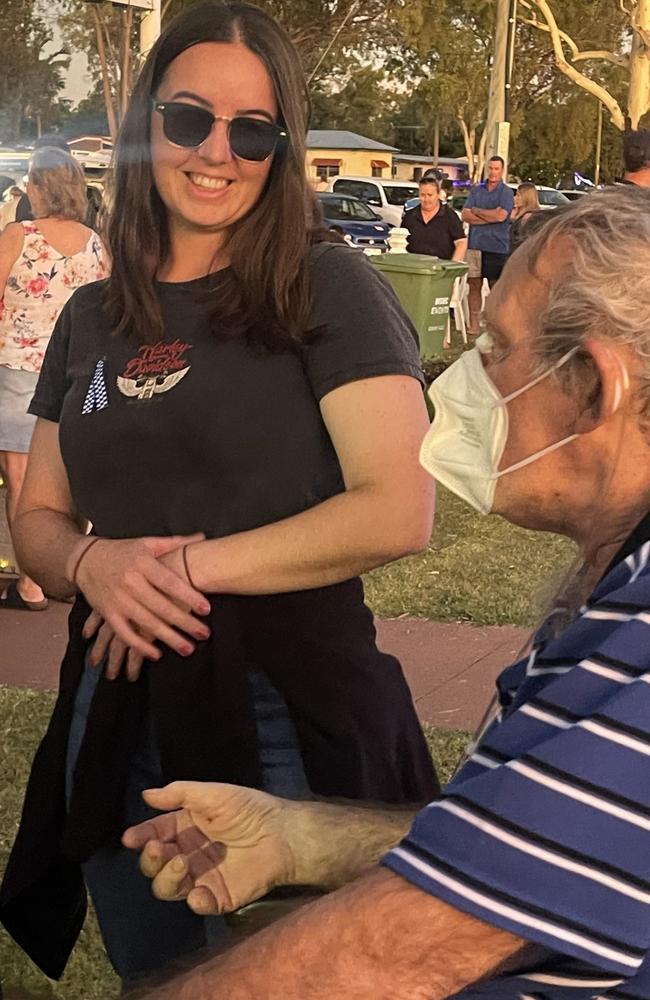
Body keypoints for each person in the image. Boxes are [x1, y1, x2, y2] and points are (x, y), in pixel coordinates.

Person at [0, 0, 438, 987]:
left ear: (280, 148)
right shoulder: (90, 315)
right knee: (159, 978)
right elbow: (36, 517)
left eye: (252, 130)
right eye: (190, 118)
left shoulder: (328, 287)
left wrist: (180, 569)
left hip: (284, 707)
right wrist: (88, 562)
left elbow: (396, 505)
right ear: (146, 122)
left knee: (288, 975)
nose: (217, 151)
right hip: (114, 712)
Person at [123, 186, 650, 1000]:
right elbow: (535, 857)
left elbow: (402, 950)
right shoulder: (615, 591)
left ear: (590, 382)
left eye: (495, 348)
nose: (463, 382)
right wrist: (303, 839)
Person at [0, 147, 108, 612]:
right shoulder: (96, 243)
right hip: (76, 372)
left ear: (40, 186)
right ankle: (70, 566)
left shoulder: (17, 235)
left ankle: (31, 581)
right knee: (72, 470)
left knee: (21, 477)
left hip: (18, 367)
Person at [462, 155, 514, 334]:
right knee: (474, 285)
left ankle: (495, 325)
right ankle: (474, 324)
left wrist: (477, 212)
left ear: (502, 170)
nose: (493, 172)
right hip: (475, 244)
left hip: (497, 246)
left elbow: (502, 216)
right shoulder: (476, 191)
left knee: (495, 287)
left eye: (496, 169)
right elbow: (465, 215)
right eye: (490, 168)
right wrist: (489, 217)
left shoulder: (506, 192)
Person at [401, 176, 467, 261]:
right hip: (414, 267)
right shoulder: (410, 216)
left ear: (438, 194)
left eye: (430, 195)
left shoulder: (450, 216)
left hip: (441, 268)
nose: (426, 199)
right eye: (423, 195)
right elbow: (400, 242)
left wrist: (453, 266)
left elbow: (461, 242)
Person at [509, 181, 541, 252]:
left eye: (518, 195)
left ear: (527, 197)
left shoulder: (529, 217)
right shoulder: (516, 213)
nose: (515, 198)